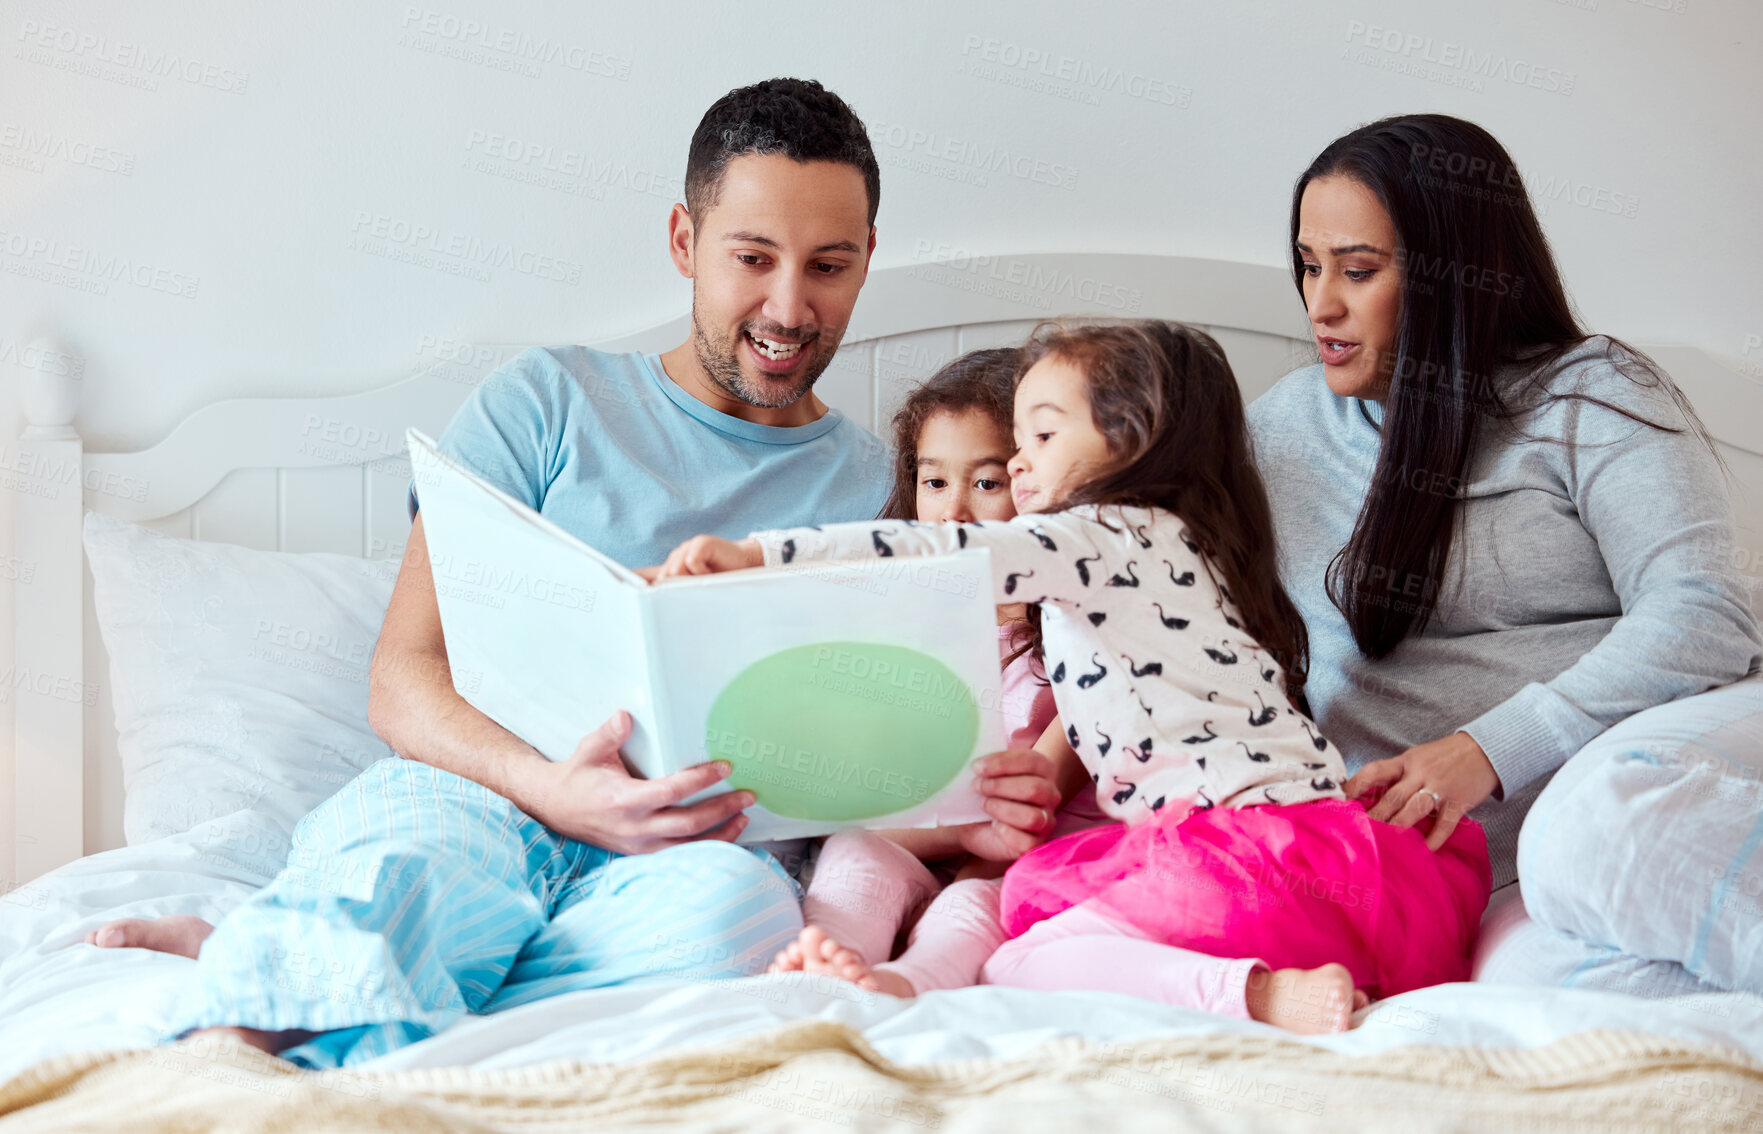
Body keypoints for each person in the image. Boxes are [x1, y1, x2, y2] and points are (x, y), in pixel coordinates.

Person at [83, 78, 1062, 1068]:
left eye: (828, 266)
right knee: (423, 868)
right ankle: (281, 990)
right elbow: (403, 676)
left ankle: (318, 967)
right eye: (752, 258)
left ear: (865, 263)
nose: (787, 305)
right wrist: (552, 791)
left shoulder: (891, 488)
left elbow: (875, 763)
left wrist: (974, 804)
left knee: (735, 929)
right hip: (480, 795)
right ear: (684, 241)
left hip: (702, 856)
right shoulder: (546, 403)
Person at [652, 320, 1492, 1033]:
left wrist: (758, 556)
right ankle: (1284, 983)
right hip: (1345, 875)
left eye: (1040, 439)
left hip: (1236, 870)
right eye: (1013, 447)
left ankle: (1258, 997)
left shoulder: (1098, 537)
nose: (1020, 469)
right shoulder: (1196, 552)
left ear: (1130, 438)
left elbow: (932, 555)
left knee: (1023, 957)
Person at [1246, 114, 1763, 892]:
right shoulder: (1277, 429)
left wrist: (1488, 750)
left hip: (1616, 814)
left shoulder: (1590, 399)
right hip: (1446, 880)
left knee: (1588, 855)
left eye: (1356, 271)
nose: (1319, 305)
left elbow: (1704, 614)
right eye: (1308, 265)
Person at [766, 348, 1108, 997]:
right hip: (932, 835)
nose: (952, 512)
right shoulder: (903, 623)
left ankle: (911, 983)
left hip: (1033, 850)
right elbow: (872, 789)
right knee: (852, 855)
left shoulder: (1081, 632)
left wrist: (955, 871)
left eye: (985, 484)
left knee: (976, 902)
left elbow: (1030, 815)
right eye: (933, 482)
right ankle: (827, 960)